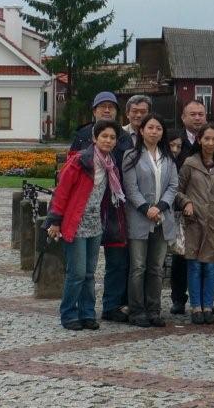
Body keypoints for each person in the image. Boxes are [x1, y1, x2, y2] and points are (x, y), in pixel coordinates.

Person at [46, 119, 126, 330]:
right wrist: (54, 220)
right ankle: (69, 313)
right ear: (94, 138)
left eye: (112, 137)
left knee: (90, 273)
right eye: (104, 136)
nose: (108, 140)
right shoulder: (80, 161)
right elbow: (61, 192)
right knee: (77, 273)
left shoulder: (110, 164)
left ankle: (87, 313)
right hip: (76, 223)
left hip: (95, 225)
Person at [68, 91, 135, 323]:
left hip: (114, 207)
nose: (107, 110)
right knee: (82, 267)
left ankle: (111, 305)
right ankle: (78, 309)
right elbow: (70, 174)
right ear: (94, 110)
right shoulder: (82, 135)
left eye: (111, 107)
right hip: (85, 208)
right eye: (102, 106)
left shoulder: (124, 137)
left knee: (116, 260)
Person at [121, 114, 178, 328]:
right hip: (139, 217)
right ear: (142, 131)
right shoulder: (131, 155)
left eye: (158, 128)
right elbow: (131, 188)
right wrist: (146, 209)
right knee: (138, 266)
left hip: (162, 218)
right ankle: (137, 310)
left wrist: (160, 207)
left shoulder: (168, 156)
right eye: (150, 127)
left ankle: (154, 309)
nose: (154, 131)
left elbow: (173, 186)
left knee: (156, 267)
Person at [178, 123, 214, 325]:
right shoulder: (189, 163)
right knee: (194, 266)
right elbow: (177, 189)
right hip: (194, 223)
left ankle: (208, 306)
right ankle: (196, 306)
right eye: (207, 138)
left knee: (210, 267)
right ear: (199, 139)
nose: (210, 143)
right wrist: (187, 202)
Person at [169, 98, 209, 315]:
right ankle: (178, 298)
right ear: (183, 117)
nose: (197, 118)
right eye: (192, 114)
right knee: (181, 255)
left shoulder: (211, 138)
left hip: (206, 205)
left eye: (201, 114)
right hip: (182, 205)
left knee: (205, 255)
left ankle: (203, 299)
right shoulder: (176, 141)